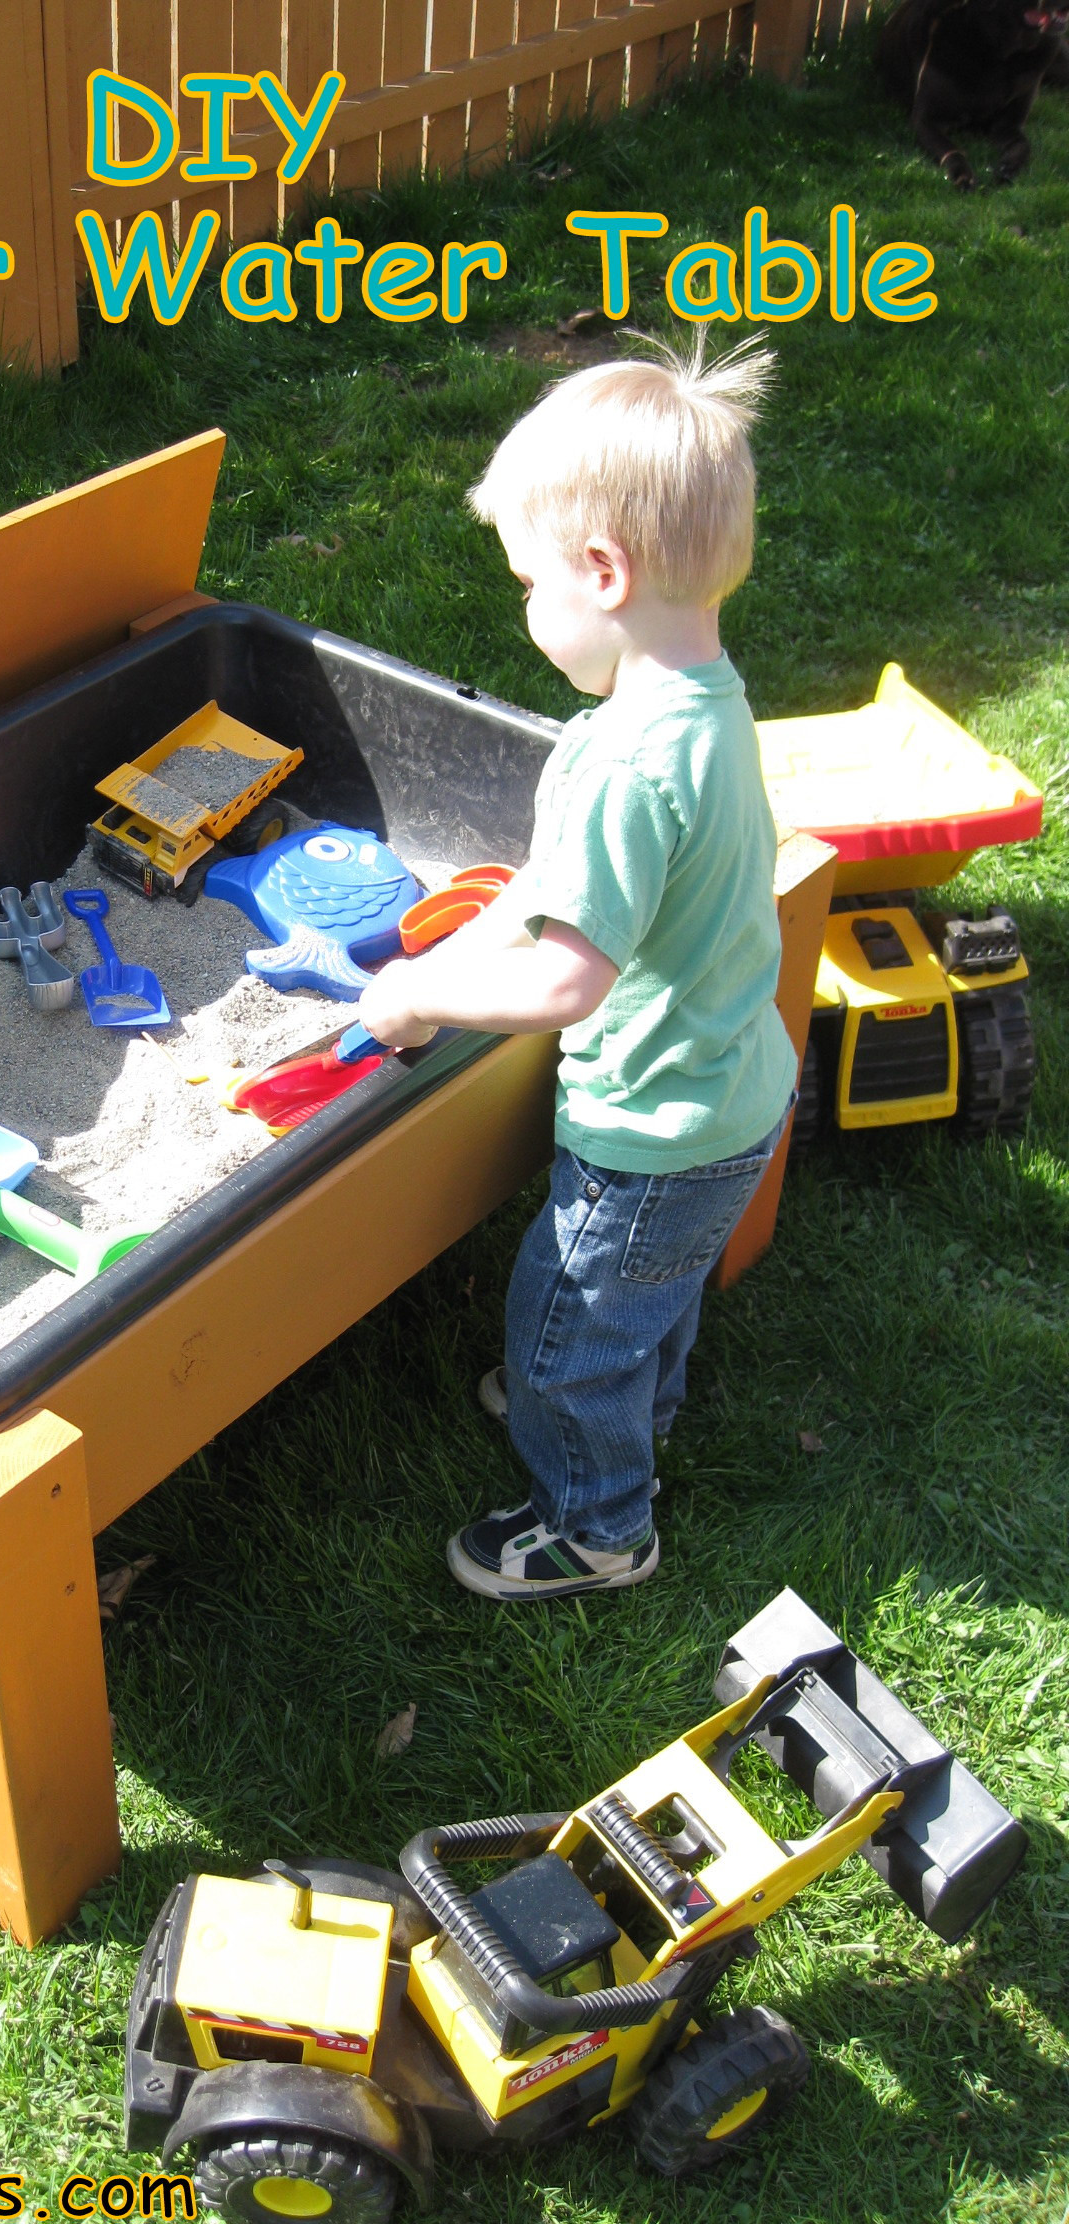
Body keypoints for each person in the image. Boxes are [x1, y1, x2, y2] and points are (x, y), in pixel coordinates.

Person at [357, 336, 797, 1602]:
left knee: (564, 1325)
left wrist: (417, 991)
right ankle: (631, 1401)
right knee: (647, 1296)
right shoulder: (706, 703)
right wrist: (470, 938)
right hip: (735, 1085)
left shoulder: (616, 763)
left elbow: (567, 986)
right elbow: (574, 899)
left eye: (527, 583)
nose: (523, 609)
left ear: (601, 572)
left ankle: (600, 1523)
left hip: (652, 1125)